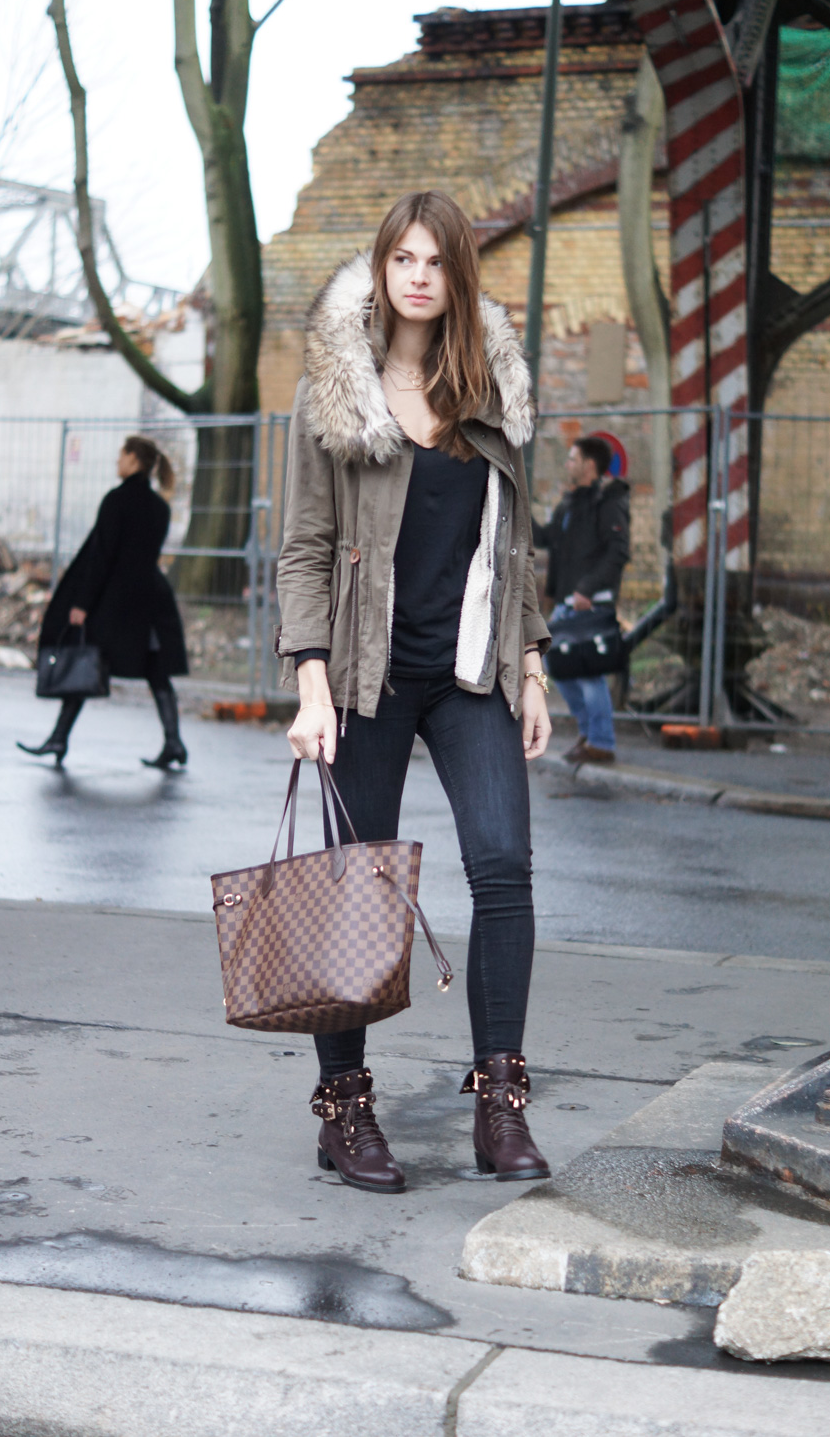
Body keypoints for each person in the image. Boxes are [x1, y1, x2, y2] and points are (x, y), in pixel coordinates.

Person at [276, 189, 553, 1196]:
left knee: (503, 868)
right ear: (383, 269)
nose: (420, 276)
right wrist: (310, 683)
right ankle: (344, 1110)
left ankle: (500, 1103)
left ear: (457, 275)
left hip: (470, 674)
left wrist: (529, 668)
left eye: (438, 260)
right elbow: (305, 547)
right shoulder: (335, 392)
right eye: (404, 259)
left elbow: (519, 548)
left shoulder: (493, 393)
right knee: (358, 890)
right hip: (366, 678)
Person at [18, 435, 189, 769]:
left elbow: (102, 555)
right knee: (155, 669)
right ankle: (174, 742)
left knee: (87, 659)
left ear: (134, 461)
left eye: (121, 456)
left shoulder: (116, 500)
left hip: (115, 600)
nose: (117, 462)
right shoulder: (160, 507)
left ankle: (58, 738)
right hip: (150, 598)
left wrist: (81, 602)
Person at [533, 434, 630, 765]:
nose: (567, 464)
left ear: (589, 465)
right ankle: (590, 735)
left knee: (588, 673)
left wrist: (586, 590)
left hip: (589, 602)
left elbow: (617, 552)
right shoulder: (571, 503)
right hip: (566, 601)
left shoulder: (608, 502)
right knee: (559, 668)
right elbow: (548, 537)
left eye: (572, 459)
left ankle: (601, 742)